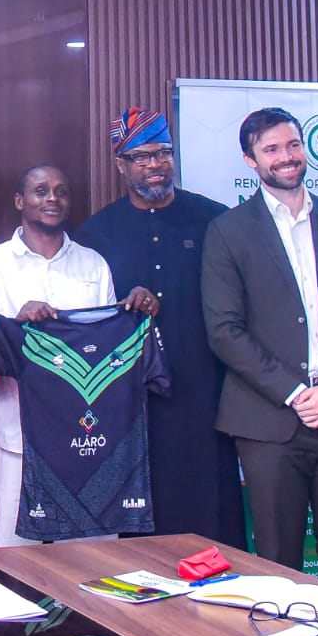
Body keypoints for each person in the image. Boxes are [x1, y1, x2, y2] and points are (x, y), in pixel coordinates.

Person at [202, 107, 318, 589]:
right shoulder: (228, 231)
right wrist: (297, 394)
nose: (286, 157)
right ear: (251, 161)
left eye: (292, 145)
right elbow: (224, 330)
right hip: (271, 426)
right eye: (271, 149)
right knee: (278, 572)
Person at [76, 108, 246, 548]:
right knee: (141, 517)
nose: (155, 164)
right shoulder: (96, 234)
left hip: (206, 393)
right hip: (131, 401)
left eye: (164, 153)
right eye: (141, 156)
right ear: (120, 164)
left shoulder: (214, 220)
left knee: (212, 511)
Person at [0, 164, 157, 547]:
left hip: (89, 445)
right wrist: (17, 327)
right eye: (41, 191)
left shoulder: (93, 264)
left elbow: (110, 350)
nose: (52, 198)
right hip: (16, 445)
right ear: (20, 201)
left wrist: (134, 313)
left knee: (91, 569)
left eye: (61, 191)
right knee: (13, 566)